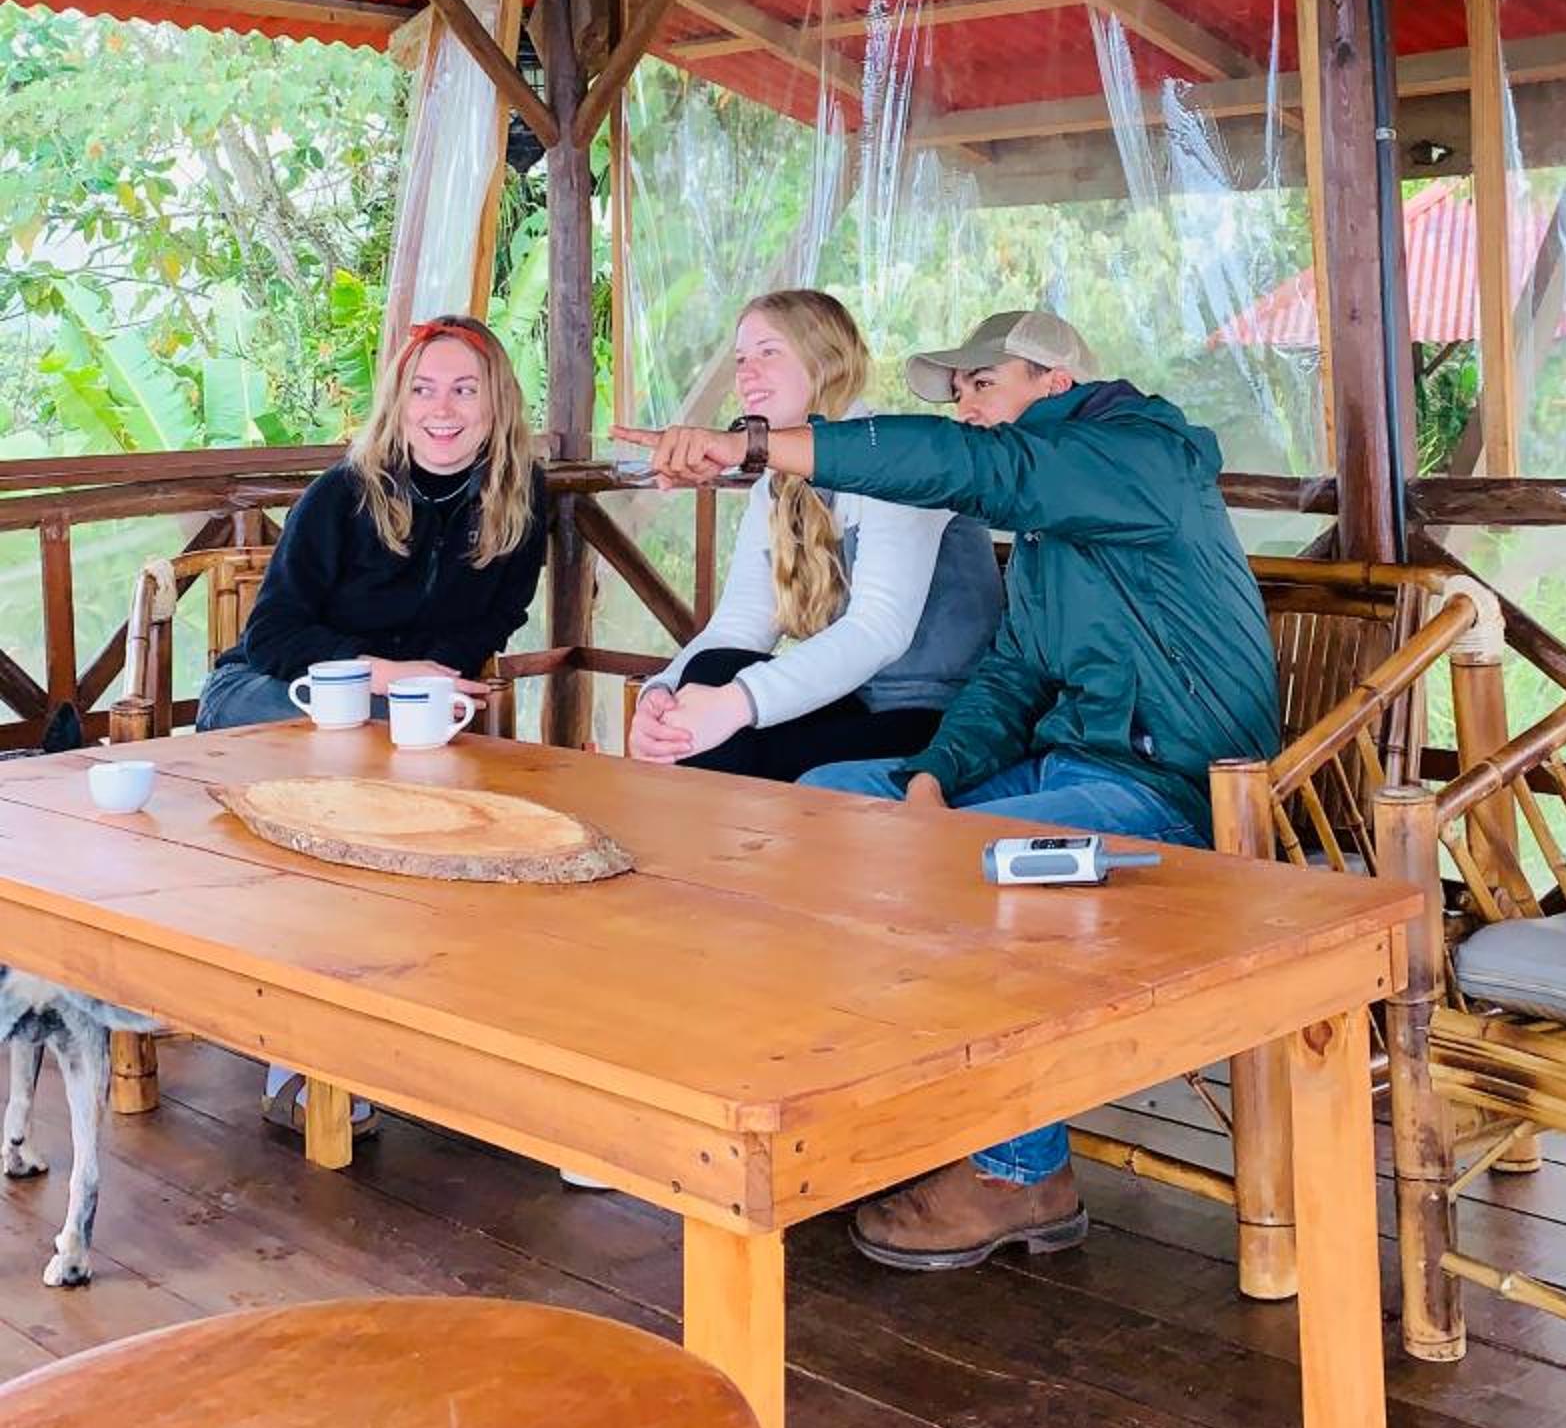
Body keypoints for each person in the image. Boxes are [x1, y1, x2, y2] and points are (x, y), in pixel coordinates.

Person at [617, 304, 1280, 1271]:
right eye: (957, 391)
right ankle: (868, 1103)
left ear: (1054, 382)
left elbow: (972, 470)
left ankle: (1020, 1173)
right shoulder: (1052, 530)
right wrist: (932, 776)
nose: (965, 405)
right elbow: (1012, 674)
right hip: (1065, 767)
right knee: (833, 796)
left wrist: (750, 446)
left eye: (983, 384)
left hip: (1176, 791)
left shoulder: (1142, 458)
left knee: (973, 873)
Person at [197, 313, 549, 1139]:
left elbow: (492, 622)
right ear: (398, 401)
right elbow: (272, 636)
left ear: (496, 404)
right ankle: (303, 1056)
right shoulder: (343, 494)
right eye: (423, 389)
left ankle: (449, 1027)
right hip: (266, 697)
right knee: (356, 761)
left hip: (395, 718)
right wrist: (390, 678)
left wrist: (430, 691)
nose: (441, 409)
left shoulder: (523, 502)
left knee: (461, 803)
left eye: (464, 390)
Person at [627, 289, 1002, 783]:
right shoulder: (775, 485)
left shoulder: (896, 462)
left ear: (826, 361)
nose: (746, 373)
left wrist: (735, 704)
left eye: (768, 352)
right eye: (740, 359)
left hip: (935, 717)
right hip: (853, 704)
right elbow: (740, 626)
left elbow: (877, 632)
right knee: (710, 672)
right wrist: (661, 693)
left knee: (728, 747)